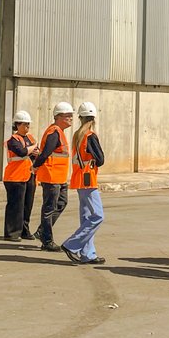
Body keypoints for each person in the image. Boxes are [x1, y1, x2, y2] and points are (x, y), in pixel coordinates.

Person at [60, 102, 107, 265]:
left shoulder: (77, 135)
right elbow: (100, 160)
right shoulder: (90, 135)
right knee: (98, 216)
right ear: (93, 118)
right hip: (88, 180)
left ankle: (88, 254)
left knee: (87, 217)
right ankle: (71, 245)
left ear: (80, 118)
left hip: (79, 179)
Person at [33, 101, 74, 253]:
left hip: (59, 176)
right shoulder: (54, 132)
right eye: (67, 116)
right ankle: (47, 241)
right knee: (49, 208)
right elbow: (45, 153)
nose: (70, 118)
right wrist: (36, 165)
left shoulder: (59, 132)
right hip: (51, 176)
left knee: (62, 203)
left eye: (71, 115)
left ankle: (42, 231)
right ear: (58, 117)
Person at [3, 109, 40, 241]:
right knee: (15, 206)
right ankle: (12, 233)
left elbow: (36, 151)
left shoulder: (30, 138)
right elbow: (21, 152)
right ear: (17, 125)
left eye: (28, 124)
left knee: (27, 205)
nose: (27, 127)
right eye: (24, 124)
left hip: (29, 175)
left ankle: (24, 230)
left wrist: (35, 151)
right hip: (14, 177)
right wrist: (32, 149)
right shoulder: (13, 140)